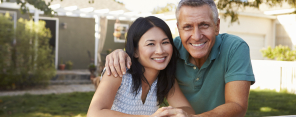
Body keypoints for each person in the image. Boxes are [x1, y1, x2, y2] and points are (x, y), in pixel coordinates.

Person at [104, 0, 256, 116]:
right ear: (178, 29)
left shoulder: (235, 48)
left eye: (204, 25)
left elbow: (237, 105)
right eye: (188, 27)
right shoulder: (170, 51)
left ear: (217, 26)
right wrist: (121, 53)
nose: (196, 36)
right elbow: (143, 52)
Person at [87, 16, 196, 117]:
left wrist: (172, 113)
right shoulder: (119, 71)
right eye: (150, 44)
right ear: (135, 51)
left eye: (165, 42)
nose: (160, 51)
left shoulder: (165, 79)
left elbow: (188, 110)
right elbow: (94, 114)